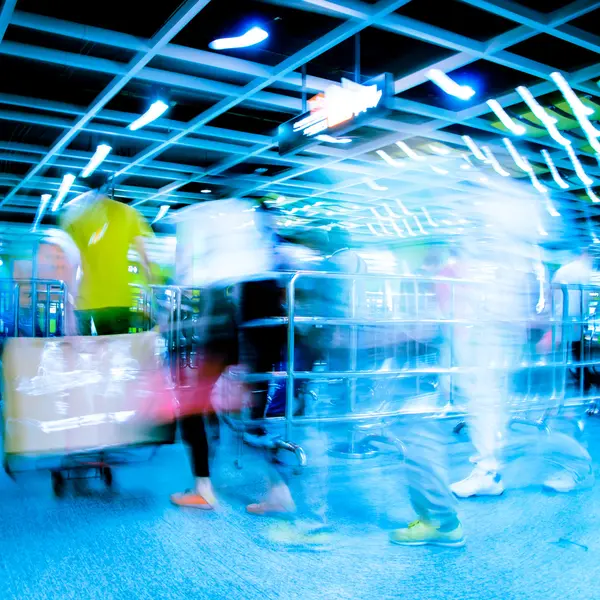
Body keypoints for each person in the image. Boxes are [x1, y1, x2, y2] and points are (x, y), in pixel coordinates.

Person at [61, 173, 154, 335]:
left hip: (86, 300)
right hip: (119, 300)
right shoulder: (128, 213)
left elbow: (71, 264)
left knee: (85, 355)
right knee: (117, 354)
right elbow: (145, 259)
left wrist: (69, 304)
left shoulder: (75, 217)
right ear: (108, 187)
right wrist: (151, 298)